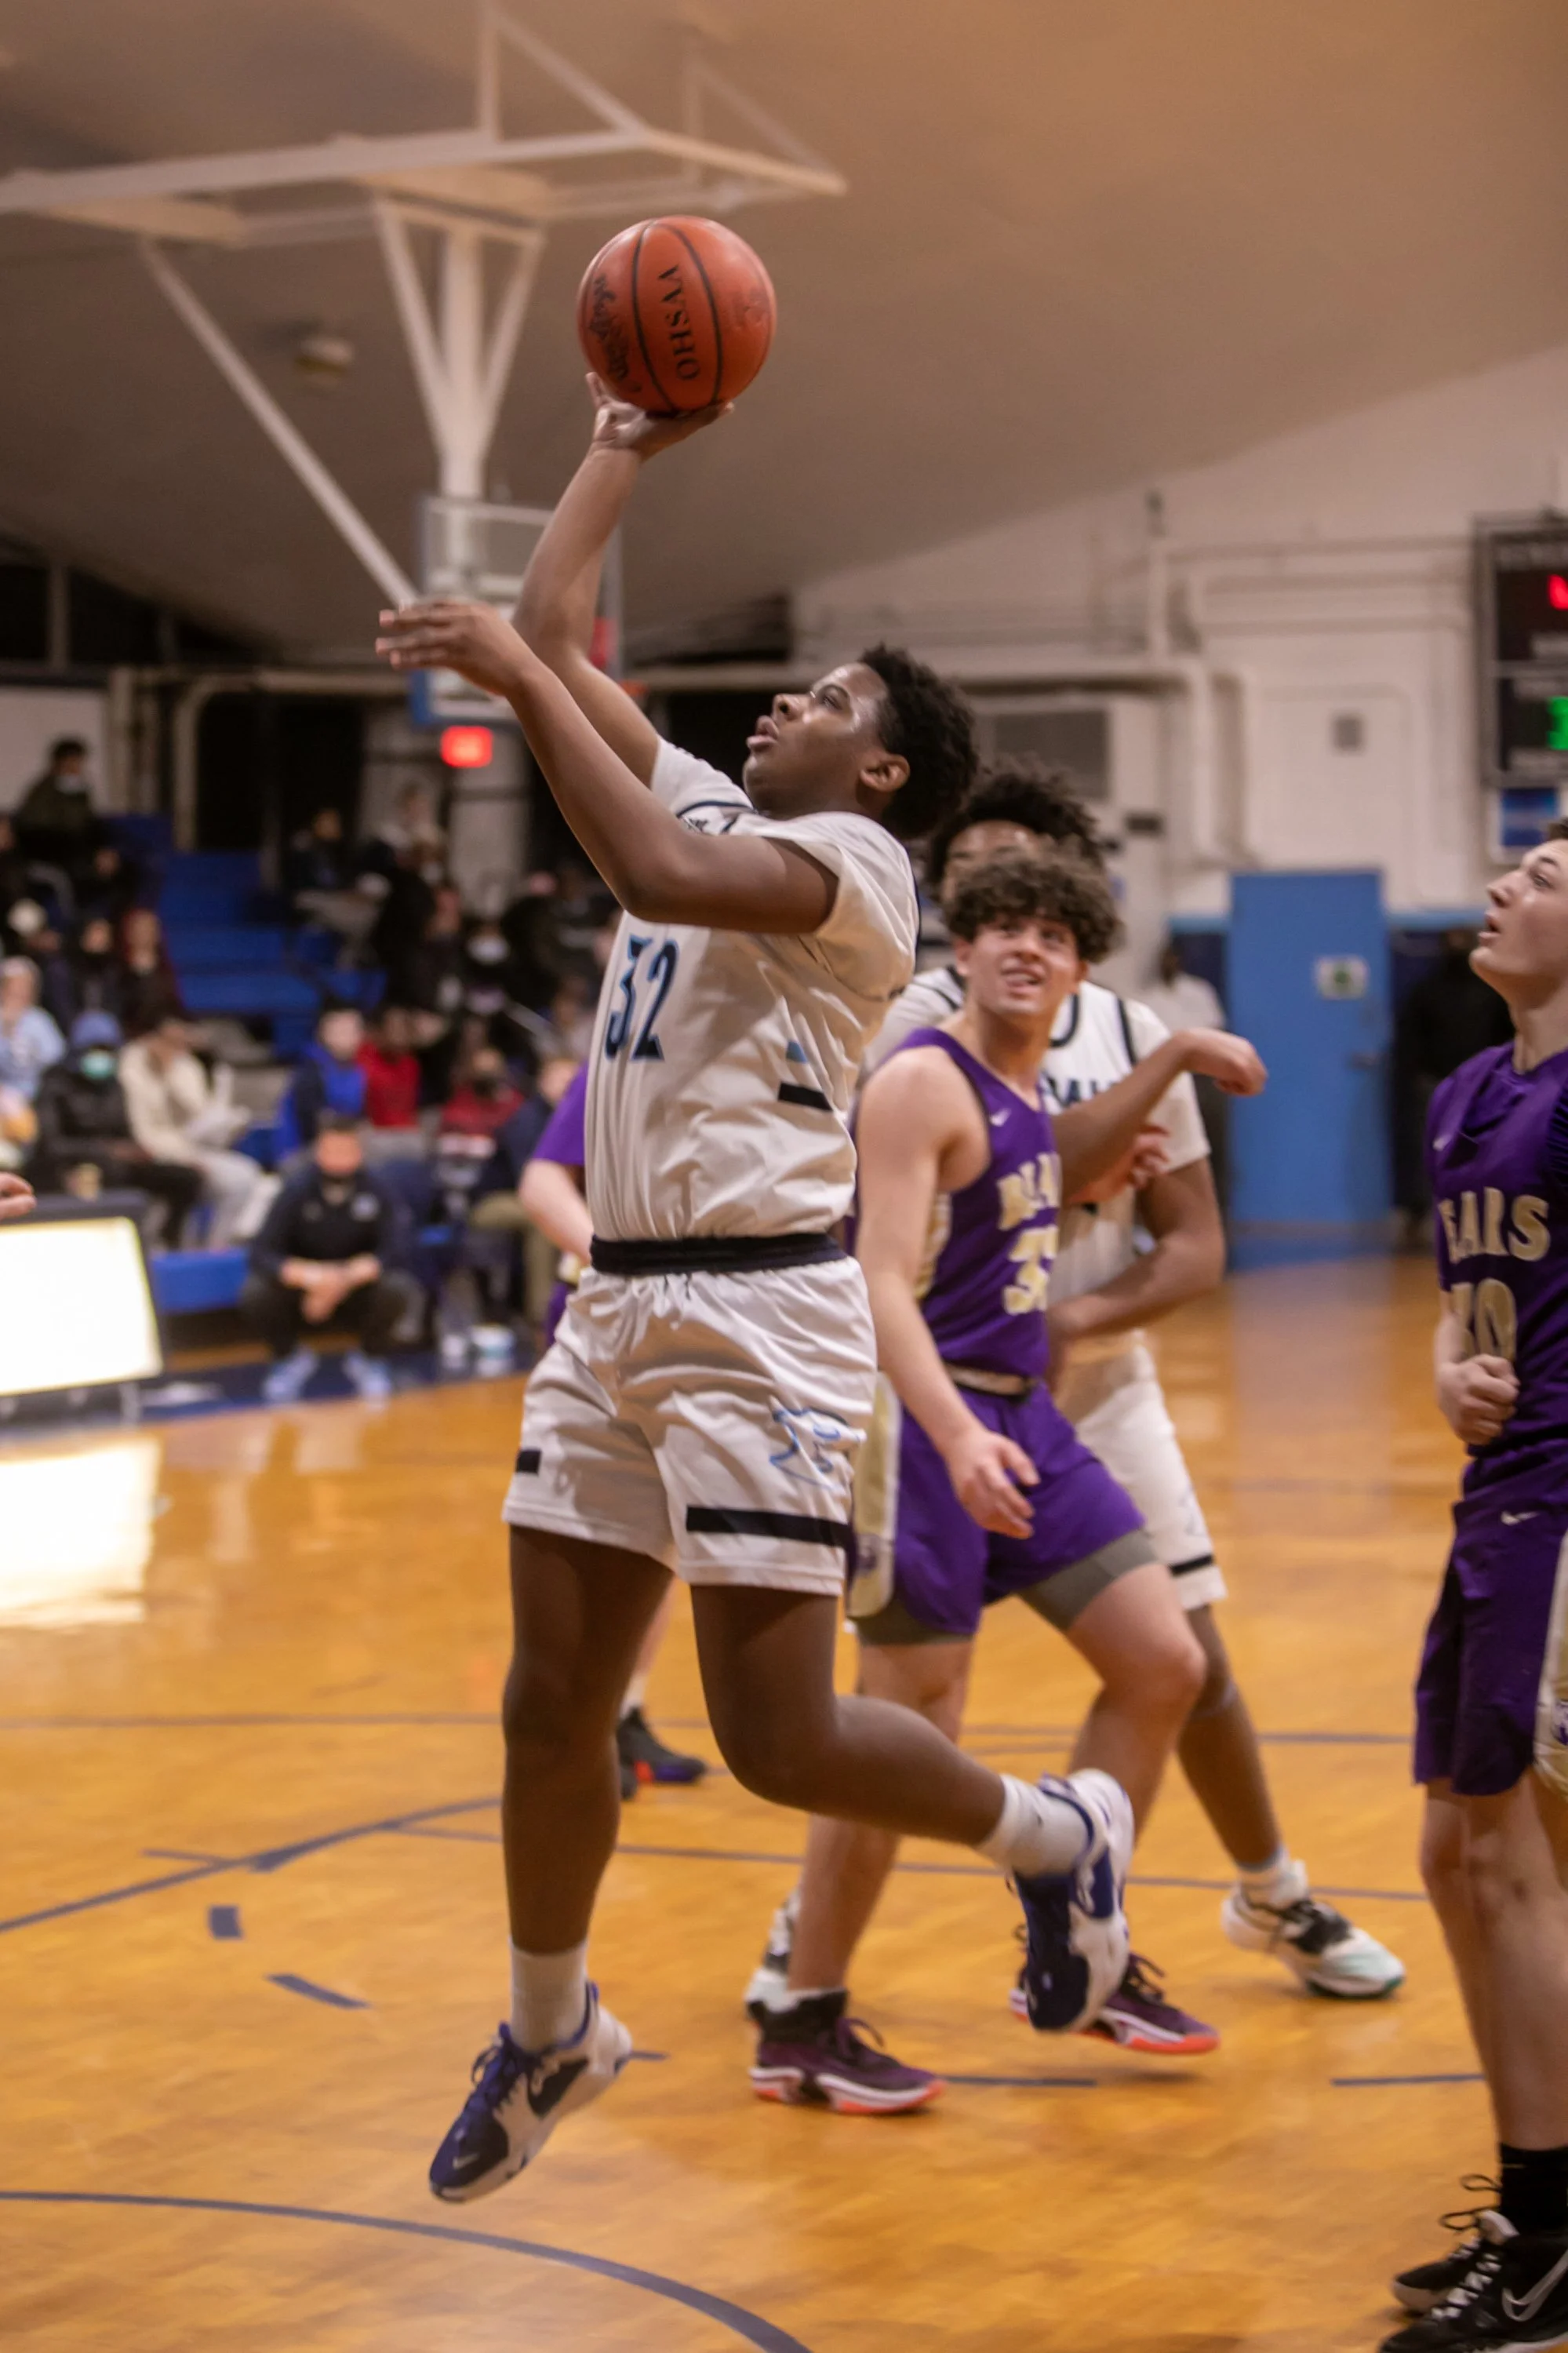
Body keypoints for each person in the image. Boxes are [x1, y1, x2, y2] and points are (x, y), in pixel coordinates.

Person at [375, 375, 1148, 2207]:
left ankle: (1055, 1831)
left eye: (829, 700)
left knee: (776, 1734)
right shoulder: (732, 802)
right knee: (548, 1700)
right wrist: (620, 444)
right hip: (618, 1306)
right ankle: (551, 2023)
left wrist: (519, 684)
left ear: (879, 773)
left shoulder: (860, 872)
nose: (787, 701)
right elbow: (560, 624)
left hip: (759, 1317)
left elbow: (640, 851)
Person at [799, 763, 1402, 2002]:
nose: (1012, 916)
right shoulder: (913, 1032)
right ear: (957, 915)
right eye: (981, 885)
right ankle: (806, 1959)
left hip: (1078, 1384)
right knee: (912, 1705)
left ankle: (1208, 1895)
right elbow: (907, 1227)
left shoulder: (1108, 1034)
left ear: (1077, 912)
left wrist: (1071, 1310)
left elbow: (1187, 1240)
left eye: (1040, 901)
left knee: (1182, 1659)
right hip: (935, 1392)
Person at [746, 845, 1259, 2111]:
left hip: (1023, 1410)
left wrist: (1171, 1057)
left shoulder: (1025, 1092)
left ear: (1080, 971)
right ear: (961, 948)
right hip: (924, 1423)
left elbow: (1060, 1163)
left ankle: (1076, 1923)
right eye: (1004, 927)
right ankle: (802, 2015)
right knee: (904, 1732)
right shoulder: (919, 1078)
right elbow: (876, 1280)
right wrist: (954, 1433)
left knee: (1164, 1660)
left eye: (1053, 934)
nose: (1027, 946)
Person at [1377, 827, 1568, 2352]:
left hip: (1560, 1505)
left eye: (1546, 875)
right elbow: (1459, 1308)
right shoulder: (1461, 1091)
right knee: (1453, 1850)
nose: (1502, 887)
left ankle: (1552, 2227)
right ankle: (1531, 2201)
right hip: (1494, 1494)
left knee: (1510, 1853)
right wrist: (1450, 1374)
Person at [516, 1059, 708, 1802]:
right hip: (607, 1324)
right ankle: (578, 1723)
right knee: (596, 1540)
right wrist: (623, 1263)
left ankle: (622, 1711)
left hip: (699, 1327)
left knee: (665, 1539)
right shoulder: (628, 1053)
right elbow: (542, 1183)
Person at [241, 1116, 422, 1404]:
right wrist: (310, 1277)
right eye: (331, 1151)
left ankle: (370, 1358)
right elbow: (261, 1252)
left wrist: (344, 1279)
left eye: (345, 1151)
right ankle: (288, 1357)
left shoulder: (379, 1189)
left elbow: (399, 1247)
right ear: (318, 1152)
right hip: (304, 1289)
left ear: (359, 1153)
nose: (338, 1160)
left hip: (357, 1287)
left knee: (398, 1287)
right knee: (256, 1291)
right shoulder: (296, 1189)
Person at [31, 1011, 202, 1239]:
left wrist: (137, 1151)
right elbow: (51, 1145)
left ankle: (169, 1240)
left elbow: (126, 1134)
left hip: (117, 1165)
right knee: (103, 1175)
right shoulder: (54, 1084)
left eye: (107, 1050)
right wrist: (104, 1150)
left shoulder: (114, 1086)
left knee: (185, 1178)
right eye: (95, 1049)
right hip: (68, 1166)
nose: (101, 1057)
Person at [1394, 927, 1515, 1233]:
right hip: (1436, 1081)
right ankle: (1422, 1214)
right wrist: (1415, 1076)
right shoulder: (1427, 990)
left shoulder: (1491, 992)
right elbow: (1411, 1040)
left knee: (1485, 1149)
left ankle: (1485, 1215)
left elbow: (1507, 1035)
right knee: (1430, 1149)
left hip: (1484, 1084)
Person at [118, 1014, 268, 1248]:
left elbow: (200, 1116)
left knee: (246, 1175)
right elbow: (142, 1133)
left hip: (193, 1148)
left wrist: (170, 1075)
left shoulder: (185, 1065)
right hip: (155, 1154)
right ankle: (175, 1248)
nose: (177, 1046)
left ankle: (216, 1248)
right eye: (169, 1039)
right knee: (192, 1179)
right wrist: (185, 1157)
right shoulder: (130, 1066)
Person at [273, 1005, 368, 1161]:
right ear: (324, 1034)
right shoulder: (311, 1070)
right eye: (340, 1031)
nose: (348, 1037)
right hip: (304, 1152)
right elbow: (313, 1122)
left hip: (347, 1147)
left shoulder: (360, 1070)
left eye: (353, 1031)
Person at [357, 1003, 424, 1146]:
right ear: (380, 1031)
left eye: (404, 1030)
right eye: (393, 1029)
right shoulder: (364, 1058)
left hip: (406, 1134)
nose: (399, 1037)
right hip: (374, 1133)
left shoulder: (411, 1065)